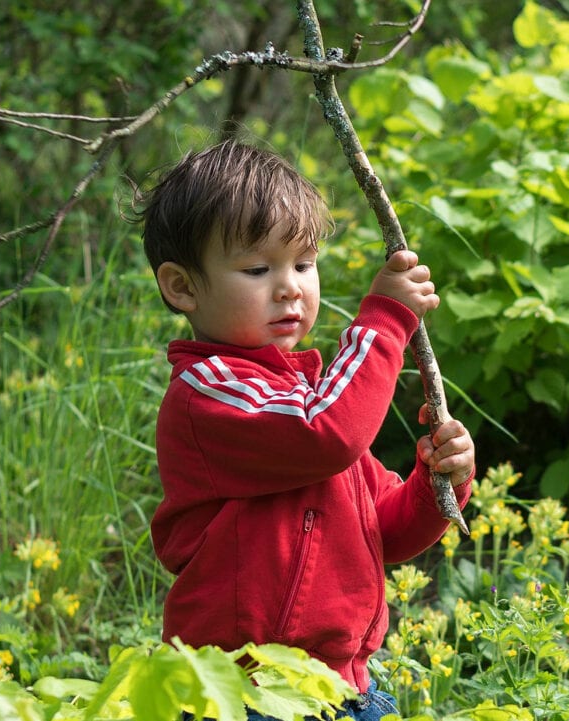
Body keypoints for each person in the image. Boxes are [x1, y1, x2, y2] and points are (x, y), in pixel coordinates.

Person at [141, 139, 475, 721]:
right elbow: (328, 435)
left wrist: (437, 482)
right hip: (244, 690)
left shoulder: (305, 399)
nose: (290, 286)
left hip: (345, 689)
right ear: (182, 287)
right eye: (256, 268)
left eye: (303, 263)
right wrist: (386, 322)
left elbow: (385, 533)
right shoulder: (210, 391)